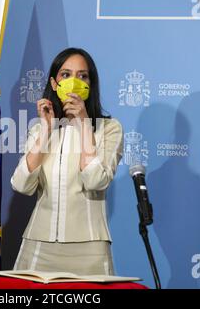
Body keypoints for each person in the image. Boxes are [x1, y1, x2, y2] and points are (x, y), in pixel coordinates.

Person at [11, 48, 124, 275]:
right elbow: (22, 185)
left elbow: (95, 180)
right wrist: (46, 130)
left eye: (82, 76)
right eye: (66, 75)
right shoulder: (39, 129)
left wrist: (83, 126)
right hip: (38, 243)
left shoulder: (109, 128)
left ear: (91, 84)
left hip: (90, 248)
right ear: (54, 83)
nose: (74, 82)